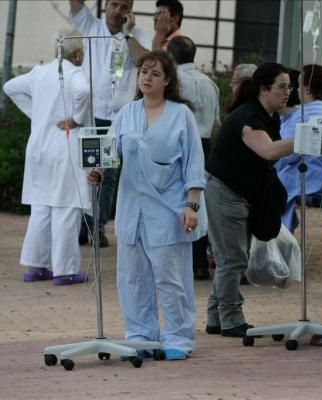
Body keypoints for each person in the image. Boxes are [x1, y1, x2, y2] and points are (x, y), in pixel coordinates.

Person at [88, 51, 206, 360]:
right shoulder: (126, 113)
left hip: (170, 209)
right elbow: (109, 154)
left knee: (170, 277)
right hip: (131, 209)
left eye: (154, 73)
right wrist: (98, 171)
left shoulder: (182, 115)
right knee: (133, 276)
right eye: (143, 72)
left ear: (167, 80)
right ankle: (139, 335)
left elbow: (194, 163)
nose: (146, 78)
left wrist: (192, 205)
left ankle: (178, 337)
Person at [204, 63, 294, 337]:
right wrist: (305, 139)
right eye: (282, 87)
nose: (288, 92)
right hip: (226, 192)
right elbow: (268, 151)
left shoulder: (267, 116)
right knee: (233, 259)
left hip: (239, 194)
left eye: (289, 87)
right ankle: (231, 318)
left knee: (229, 258)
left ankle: (215, 316)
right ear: (264, 89)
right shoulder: (250, 118)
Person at [3, 29, 90, 285]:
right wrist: (76, 119)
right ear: (76, 52)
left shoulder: (39, 72)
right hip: (63, 145)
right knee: (65, 207)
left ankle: (36, 266)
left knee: (41, 207)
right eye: (82, 50)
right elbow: (84, 92)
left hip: (39, 148)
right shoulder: (73, 72)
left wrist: (37, 114)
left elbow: (10, 87)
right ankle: (65, 270)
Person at [68, 0, 150, 248]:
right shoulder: (91, 25)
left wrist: (127, 35)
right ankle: (81, 225)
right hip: (90, 113)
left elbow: (143, 61)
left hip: (117, 117)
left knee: (108, 175)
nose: (118, 10)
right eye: (114, 3)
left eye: (124, 5)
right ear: (106, 6)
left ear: (131, 9)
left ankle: (97, 227)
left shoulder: (137, 34)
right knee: (85, 170)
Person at [167, 35, 220, 281]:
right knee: (201, 203)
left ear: (171, 56)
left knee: (180, 199)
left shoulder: (172, 81)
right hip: (207, 144)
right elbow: (217, 122)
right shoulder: (211, 84)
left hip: (183, 144)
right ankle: (199, 262)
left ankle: (183, 260)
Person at [276, 64, 322, 234]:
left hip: (311, 178)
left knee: (262, 187)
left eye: (299, 86)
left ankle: (271, 243)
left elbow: (283, 154)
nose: (297, 90)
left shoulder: (308, 112)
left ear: (307, 90)